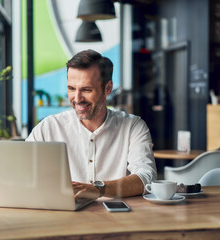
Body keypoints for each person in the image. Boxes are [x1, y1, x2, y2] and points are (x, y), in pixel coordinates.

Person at [26, 49, 156, 199]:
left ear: (107, 88)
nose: (77, 98)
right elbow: (22, 170)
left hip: (117, 218)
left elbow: (147, 178)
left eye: (86, 90)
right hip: (65, 215)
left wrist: (98, 189)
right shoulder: (48, 127)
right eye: (71, 89)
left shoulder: (133, 126)